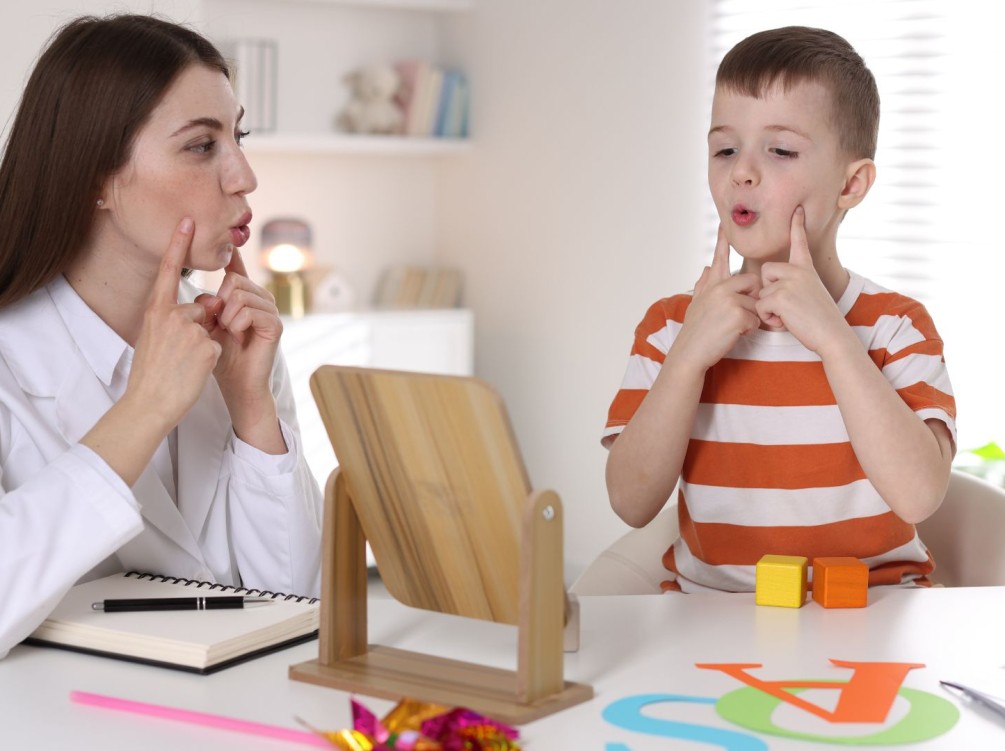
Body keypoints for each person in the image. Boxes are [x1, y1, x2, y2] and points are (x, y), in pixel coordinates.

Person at [0, 14, 323, 657]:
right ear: (95, 177)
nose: (244, 176)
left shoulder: (233, 345)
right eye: (202, 146)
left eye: (239, 136)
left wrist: (253, 411)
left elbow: (293, 607)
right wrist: (144, 410)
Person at [602, 26, 956, 593]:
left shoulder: (896, 326)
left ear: (852, 183)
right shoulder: (672, 326)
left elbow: (919, 494)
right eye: (724, 149)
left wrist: (835, 340)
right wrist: (688, 358)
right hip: (709, 618)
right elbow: (630, 502)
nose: (742, 170)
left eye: (781, 150)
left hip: (876, 614)